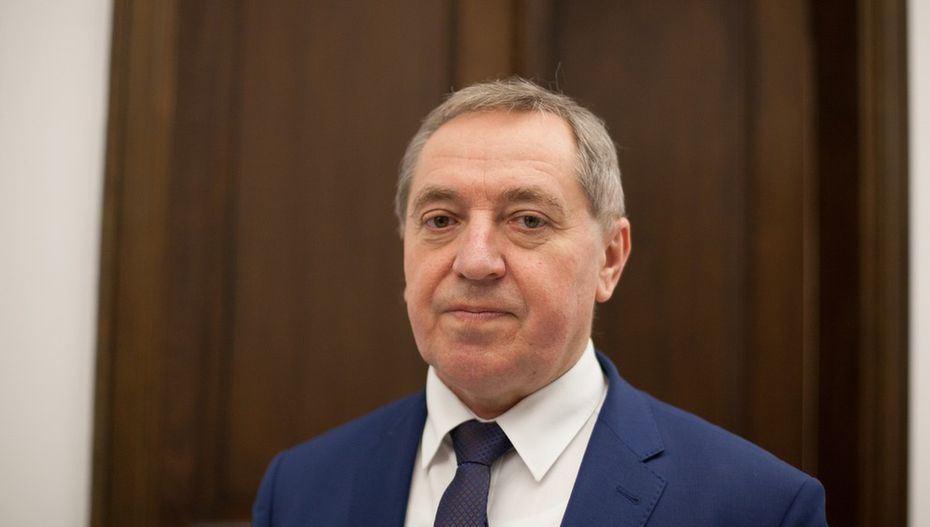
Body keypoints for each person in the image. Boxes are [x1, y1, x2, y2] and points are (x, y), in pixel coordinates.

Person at [252, 78, 827, 526]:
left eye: (528, 220)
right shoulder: (298, 490)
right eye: (441, 220)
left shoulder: (757, 508)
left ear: (609, 259)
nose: (475, 261)